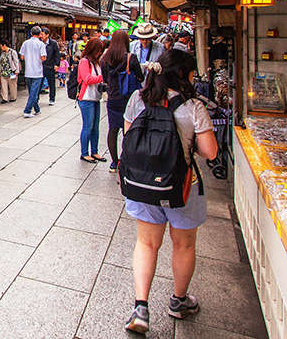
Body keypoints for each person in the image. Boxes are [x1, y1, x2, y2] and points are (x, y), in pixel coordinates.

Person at [121, 49, 218, 333]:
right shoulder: (193, 107)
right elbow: (210, 152)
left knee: (146, 244)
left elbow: (128, 138)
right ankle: (178, 301)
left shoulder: (138, 99)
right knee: (184, 245)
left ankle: (141, 308)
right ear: (183, 75)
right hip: (182, 186)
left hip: (143, 185)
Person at [101, 30, 144, 172]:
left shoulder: (105, 59)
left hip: (113, 98)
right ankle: (127, 160)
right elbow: (140, 77)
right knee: (129, 130)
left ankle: (114, 162)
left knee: (112, 129)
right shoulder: (131, 58)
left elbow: (105, 79)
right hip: (129, 99)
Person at [77, 38, 106, 163]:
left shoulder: (97, 62)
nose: (99, 53)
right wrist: (102, 77)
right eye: (98, 50)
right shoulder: (84, 61)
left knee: (95, 127)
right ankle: (84, 153)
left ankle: (94, 151)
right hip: (86, 98)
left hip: (95, 97)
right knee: (88, 126)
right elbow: (87, 79)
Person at [19, 26, 47, 118]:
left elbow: (22, 57)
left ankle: (37, 109)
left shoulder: (25, 43)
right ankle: (27, 110)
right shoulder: (41, 44)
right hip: (37, 71)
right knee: (33, 93)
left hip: (28, 71)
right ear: (39, 34)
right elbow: (43, 58)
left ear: (31, 33)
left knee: (32, 92)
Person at [40, 27, 60, 106]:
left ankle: (52, 98)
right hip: (41, 66)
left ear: (47, 35)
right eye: (40, 34)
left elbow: (57, 55)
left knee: (51, 83)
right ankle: (36, 99)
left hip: (50, 66)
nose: (41, 36)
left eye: (42, 34)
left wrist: (56, 64)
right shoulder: (39, 43)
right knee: (39, 83)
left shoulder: (53, 43)